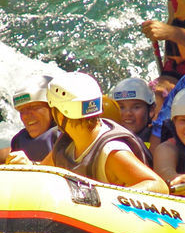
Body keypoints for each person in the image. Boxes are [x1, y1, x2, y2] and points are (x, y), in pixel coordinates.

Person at [39, 72, 169, 193]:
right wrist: (28, 164)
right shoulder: (68, 143)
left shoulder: (112, 152)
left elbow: (158, 185)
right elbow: (41, 171)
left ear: (60, 116)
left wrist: (104, 197)